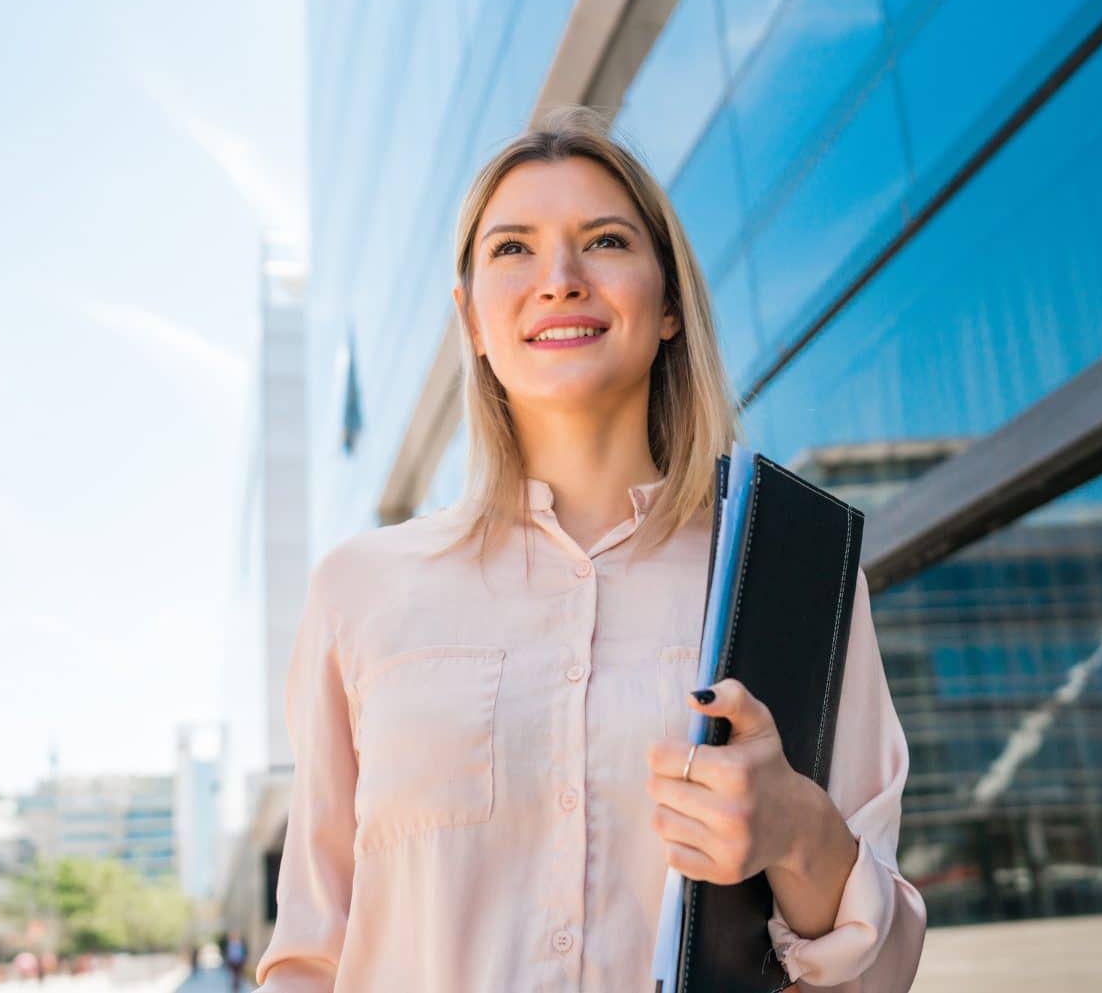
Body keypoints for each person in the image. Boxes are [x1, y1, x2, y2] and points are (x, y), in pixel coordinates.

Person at [254, 104, 925, 991]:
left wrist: (795, 829)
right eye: (512, 248)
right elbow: (309, 955)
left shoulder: (793, 583)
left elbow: (884, 973)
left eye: (605, 241)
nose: (560, 277)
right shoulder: (359, 592)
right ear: (473, 322)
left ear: (670, 305)